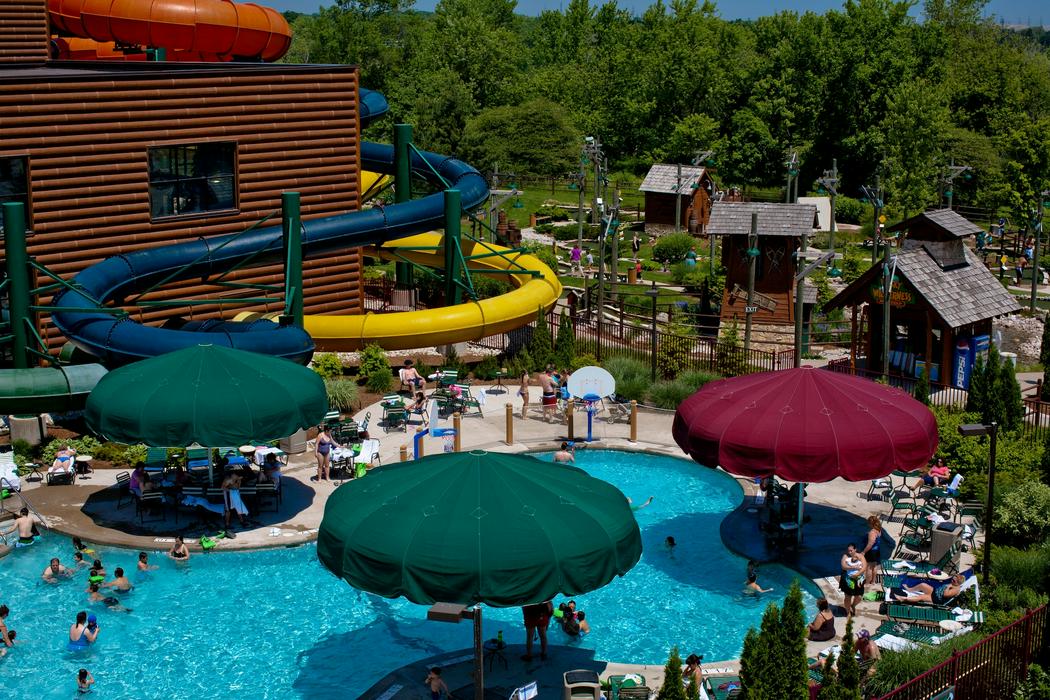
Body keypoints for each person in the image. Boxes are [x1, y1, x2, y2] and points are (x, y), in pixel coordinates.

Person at [893, 573, 966, 604]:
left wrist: (948, 587)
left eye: (954, 581)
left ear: (958, 583)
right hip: (934, 592)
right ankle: (910, 589)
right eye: (952, 579)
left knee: (921, 597)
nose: (952, 580)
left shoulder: (955, 590)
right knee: (923, 585)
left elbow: (945, 595)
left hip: (936, 598)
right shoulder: (953, 583)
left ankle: (904, 599)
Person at [840, 543, 866, 617]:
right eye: (848, 551)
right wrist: (854, 567)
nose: (849, 552)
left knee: (859, 597)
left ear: (855, 549)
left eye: (851, 550)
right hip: (848, 579)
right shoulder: (845, 556)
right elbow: (843, 566)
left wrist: (857, 574)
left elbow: (864, 567)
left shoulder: (860, 556)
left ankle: (853, 605)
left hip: (858, 580)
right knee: (848, 597)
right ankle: (848, 611)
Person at [860, 515, 883, 586]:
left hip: (871, 552)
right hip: (877, 551)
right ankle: (873, 582)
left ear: (871, 523)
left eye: (868, 523)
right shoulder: (879, 530)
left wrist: (864, 552)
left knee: (869, 568)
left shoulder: (872, 532)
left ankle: (867, 583)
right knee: (874, 566)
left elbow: (870, 544)